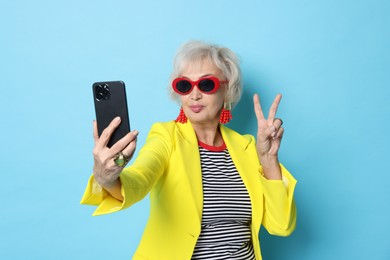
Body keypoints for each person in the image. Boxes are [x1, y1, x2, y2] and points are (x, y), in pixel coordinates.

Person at [81, 40, 297, 260]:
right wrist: (107, 177)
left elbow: (281, 225)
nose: (194, 95)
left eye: (206, 85)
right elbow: (140, 178)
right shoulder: (166, 137)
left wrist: (269, 159)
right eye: (184, 85)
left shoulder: (249, 147)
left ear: (227, 89)